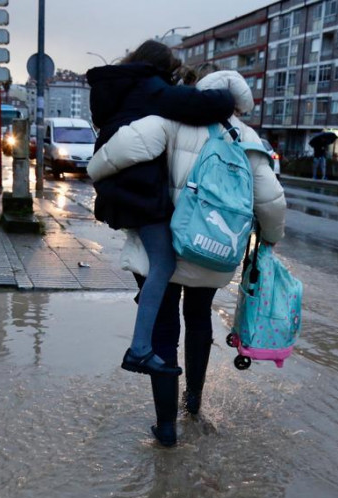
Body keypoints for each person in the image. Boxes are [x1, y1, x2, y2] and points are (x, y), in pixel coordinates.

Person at [88, 69, 287, 447]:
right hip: (212, 252)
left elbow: (116, 152)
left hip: (165, 245)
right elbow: (272, 202)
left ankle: (166, 428)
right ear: (239, 103)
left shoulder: (168, 122)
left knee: (163, 329)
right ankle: (193, 402)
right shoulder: (247, 138)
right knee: (198, 320)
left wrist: (93, 171)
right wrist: (271, 242)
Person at [87, 40, 237, 379]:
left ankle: (146, 306)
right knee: (164, 264)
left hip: (122, 190)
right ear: (159, 67)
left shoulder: (120, 88)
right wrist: (228, 95)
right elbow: (199, 105)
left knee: (154, 266)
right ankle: (139, 350)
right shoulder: (149, 87)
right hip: (140, 193)